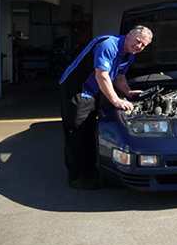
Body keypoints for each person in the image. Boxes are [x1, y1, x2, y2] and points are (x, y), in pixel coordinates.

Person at [59, 25, 153, 189]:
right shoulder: (108, 44)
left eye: (143, 45)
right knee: (77, 132)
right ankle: (76, 177)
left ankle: (90, 171)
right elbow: (102, 75)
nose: (138, 46)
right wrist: (117, 101)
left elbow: (119, 76)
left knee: (89, 131)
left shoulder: (128, 55)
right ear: (130, 34)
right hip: (77, 90)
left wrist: (129, 93)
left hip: (93, 91)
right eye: (137, 41)